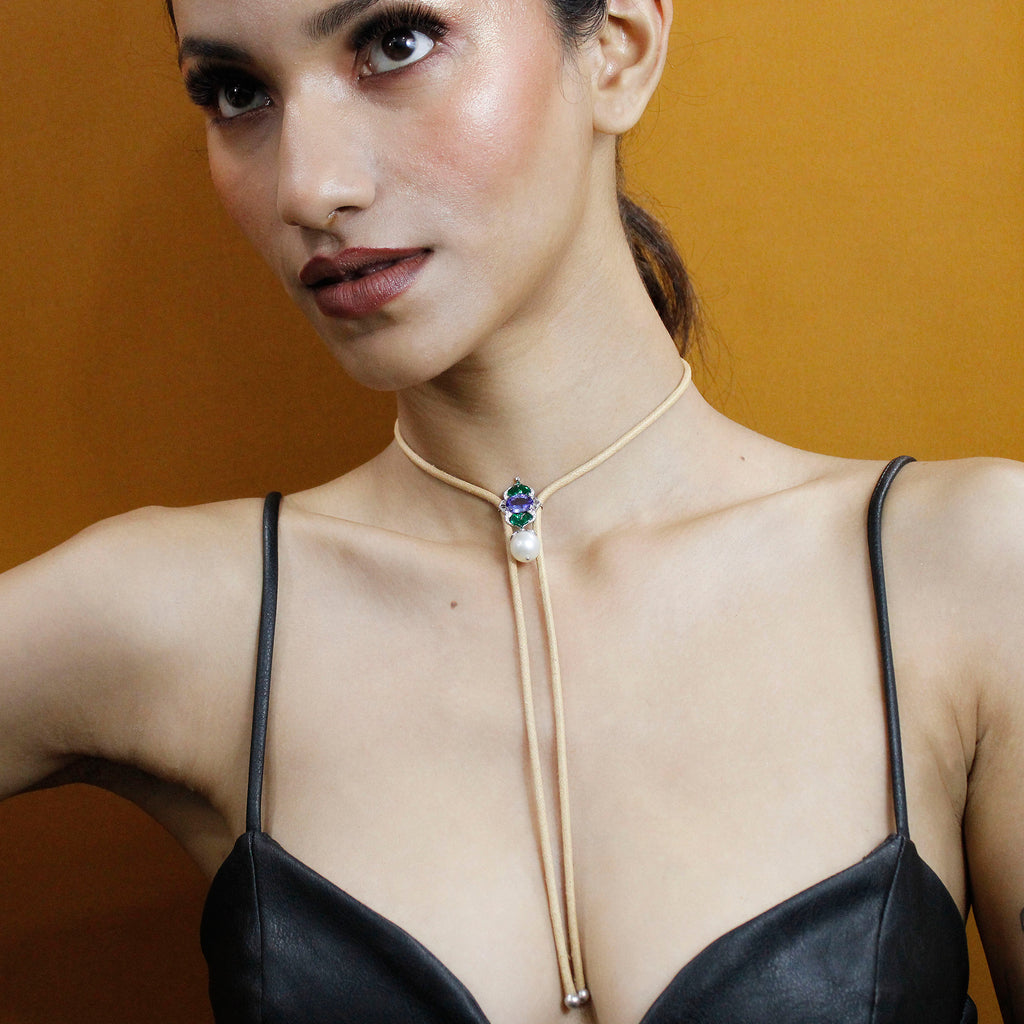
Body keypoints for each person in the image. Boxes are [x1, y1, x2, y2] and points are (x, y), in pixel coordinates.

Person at [2, 0, 1022, 1020]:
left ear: (618, 47)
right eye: (236, 93)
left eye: (395, 43)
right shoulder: (187, 620)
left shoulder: (965, 575)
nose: (306, 187)